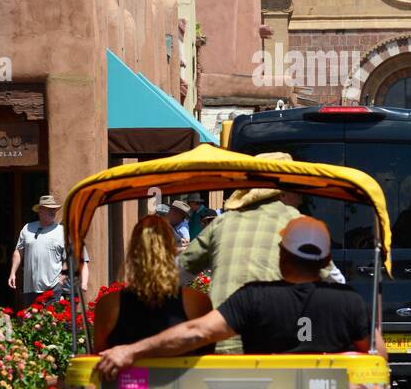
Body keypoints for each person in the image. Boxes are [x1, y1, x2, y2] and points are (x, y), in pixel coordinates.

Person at [97, 216, 383, 377]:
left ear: (282, 255)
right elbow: (377, 357)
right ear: (326, 260)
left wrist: (132, 350)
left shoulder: (253, 298)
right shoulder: (350, 302)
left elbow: (197, 332)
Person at [176, 152, 343, 352]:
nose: (301, 199)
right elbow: (336, 282)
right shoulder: (297, 222)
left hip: (223, 349)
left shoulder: (222, 222)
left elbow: (177, 273)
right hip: (278, 351)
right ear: (282, 192)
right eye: (298, 191)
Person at [93, 215, 210, 352]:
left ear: (132, 253)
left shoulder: (109, 305)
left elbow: (100, 354)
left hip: (131, 374)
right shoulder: (196, 301)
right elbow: (206, 350)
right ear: (172, 250)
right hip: (182, 374)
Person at [9, 194, 89, 310]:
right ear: (40, 211)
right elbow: (18, 251)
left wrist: (61, 281)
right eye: (49, 209)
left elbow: (72, 259)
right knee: (31, 324)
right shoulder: (27, 228)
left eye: (54, 209)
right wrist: (13, 273)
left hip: (52, 288)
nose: (53, 212)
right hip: (30, 288)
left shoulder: (61, 231)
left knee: (52, 324)